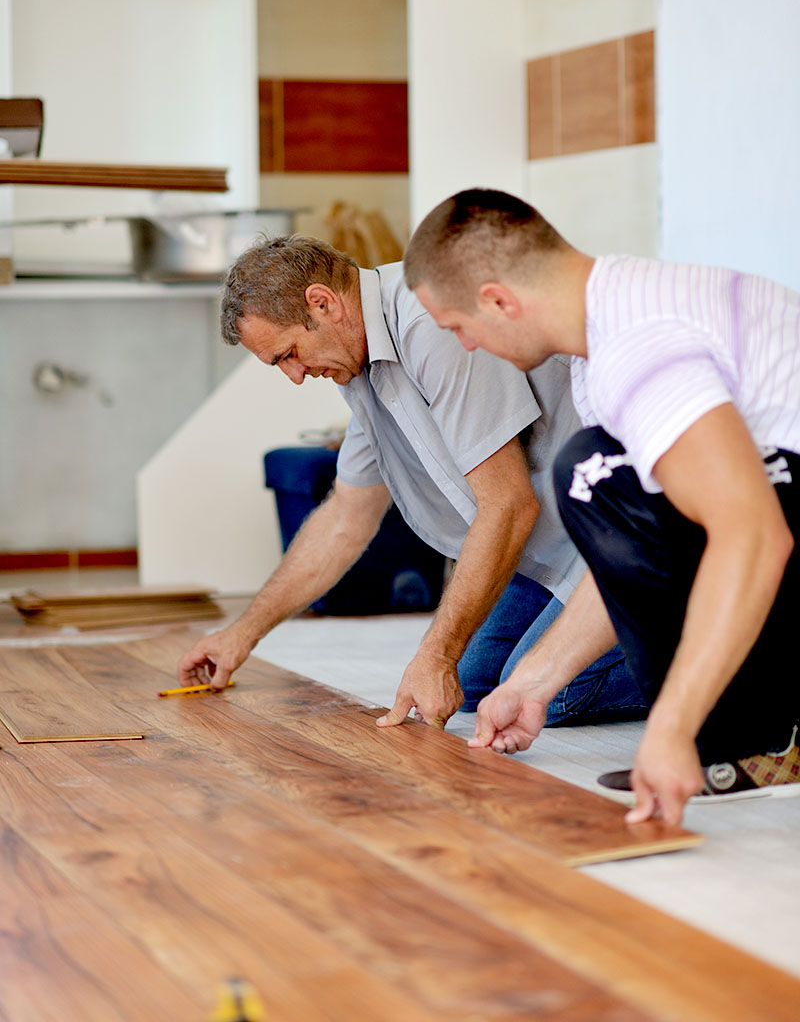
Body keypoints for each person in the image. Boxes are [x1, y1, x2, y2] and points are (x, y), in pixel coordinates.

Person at [404, 187, 800, 825]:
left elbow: (754, 535)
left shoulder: (638, 345)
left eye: (458, 329)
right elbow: (638, 546)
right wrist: (534, 681)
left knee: (588, 471)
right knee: (598, 471)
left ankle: (754, 742)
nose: (467, 347)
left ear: (498, 301)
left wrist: (670, 728)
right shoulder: (614, 329)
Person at [177, 234, 646, 730]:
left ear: (322, 303)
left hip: (621, 542)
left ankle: (720, 644)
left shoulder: (430, 324)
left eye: (288, 353)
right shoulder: (361, 370)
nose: (294, 375)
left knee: (545, 693)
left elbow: (508, 506)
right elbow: (345, 518)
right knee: (478, 682)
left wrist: (435, 656)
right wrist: (241, 634)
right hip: (555, 551)